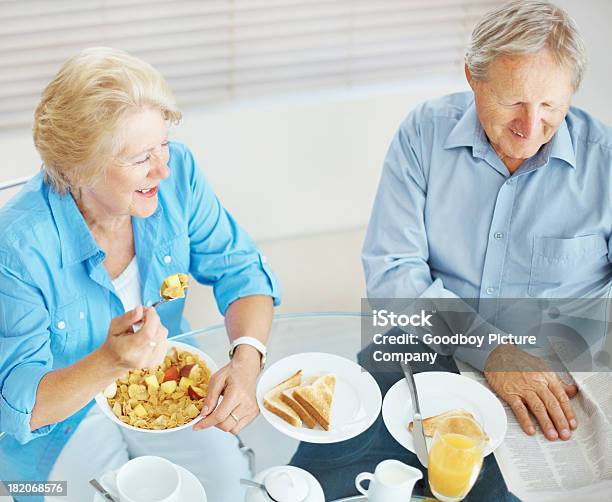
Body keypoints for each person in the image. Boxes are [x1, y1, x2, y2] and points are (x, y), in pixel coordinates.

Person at [291, 1, 611, 500]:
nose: (530, 127)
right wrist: (495, 352)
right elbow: (393, 271)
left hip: (552, 373)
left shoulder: (605, 162)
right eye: (513, 103)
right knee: (317, 480)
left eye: (549, 106)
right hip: (427, 340)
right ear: (473, 77)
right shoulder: (424, 131)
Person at [0, 47, 280, 502]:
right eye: (140, 157)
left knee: (226, 487)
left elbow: (242, 270)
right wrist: (110, 361)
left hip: (163, 386)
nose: (163, 169)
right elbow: (19, 407)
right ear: (78, 168)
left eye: (163, 146)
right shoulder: (16, 247)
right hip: (57, 428)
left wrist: (247, 359)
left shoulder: (178, 174)